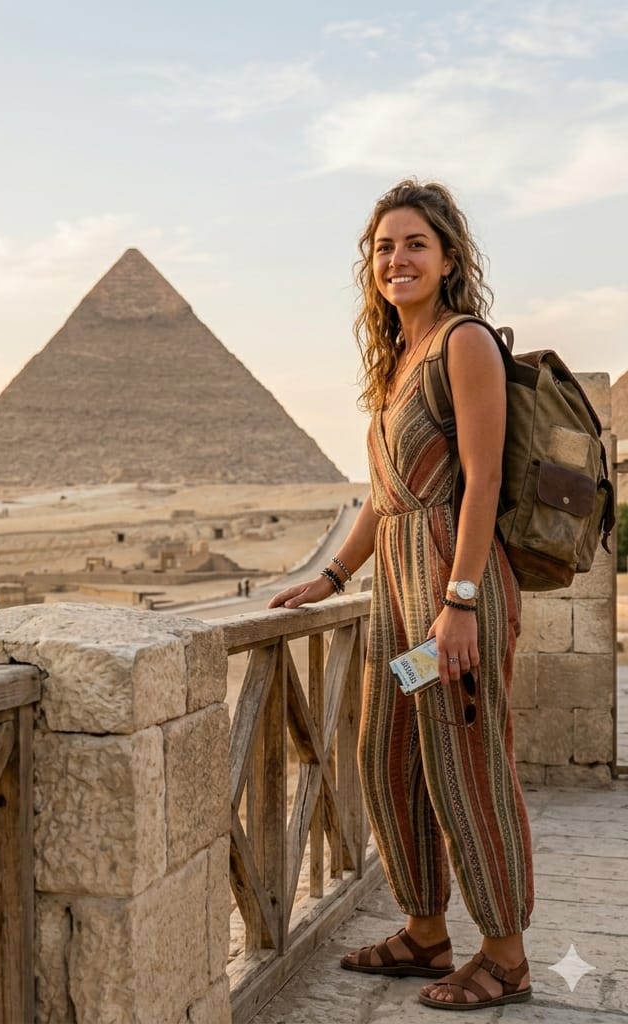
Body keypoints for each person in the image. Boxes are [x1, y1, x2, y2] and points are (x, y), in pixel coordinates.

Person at [268, 180, 532, 1011]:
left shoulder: (464, 343)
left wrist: (457, 604)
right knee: (389, 758)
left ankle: (506, 955)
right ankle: (426, 933)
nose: (397, 259)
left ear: (449, 257)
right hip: (398, 596)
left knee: (466, 765)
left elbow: (482, 480)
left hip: (457, 594)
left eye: (415, 243)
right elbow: (384, 501)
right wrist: (332, 575)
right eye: (383, 247)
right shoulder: (397, 365)